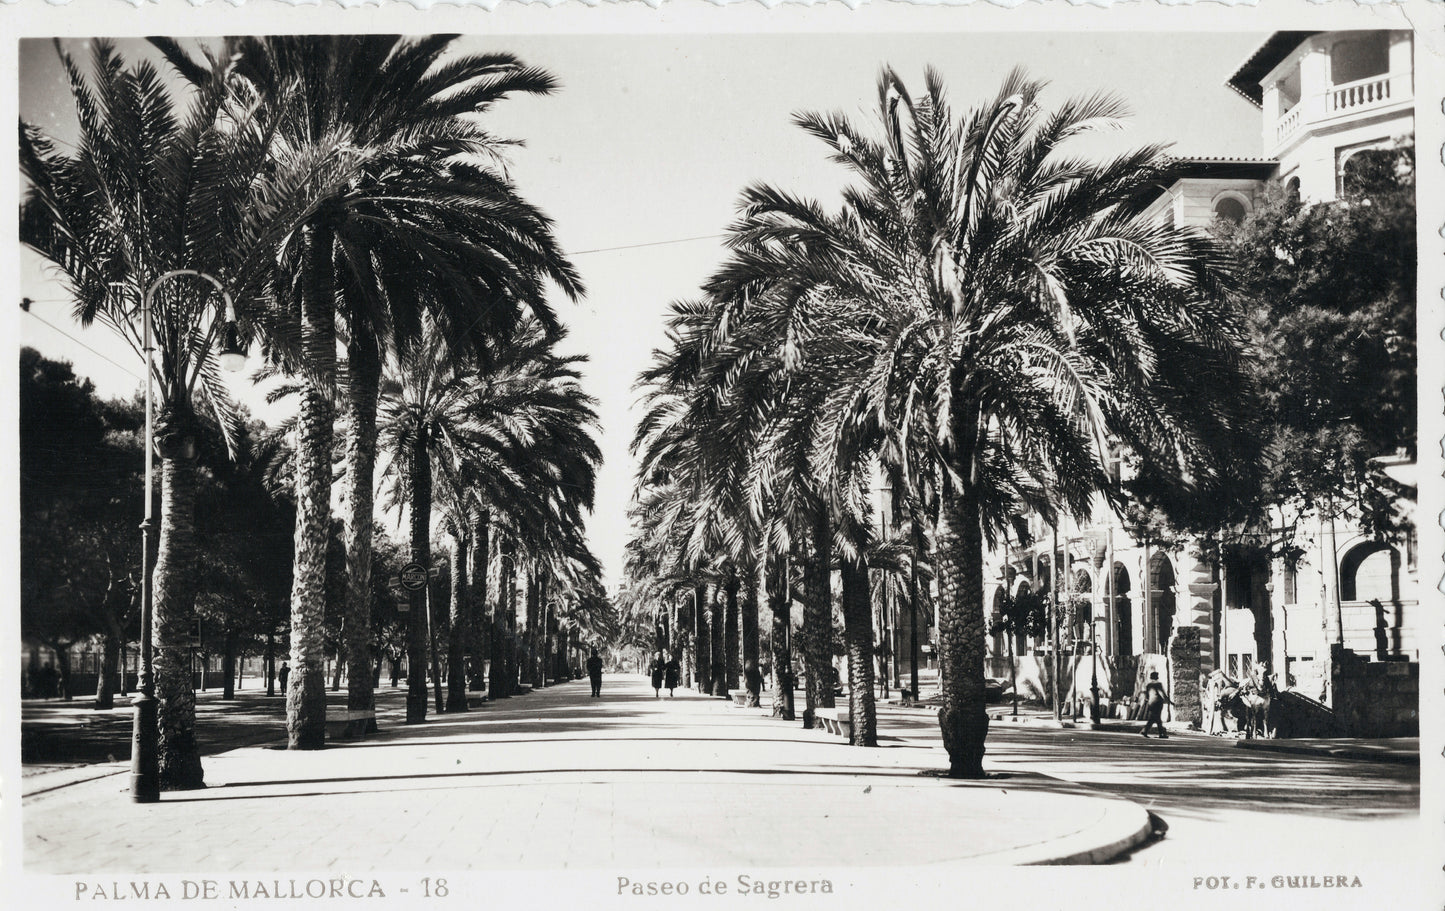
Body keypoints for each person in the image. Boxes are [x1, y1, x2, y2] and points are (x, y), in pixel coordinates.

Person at [1140, 671, 1172, 738]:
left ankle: (1146, 731)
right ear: (1156, 677)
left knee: (1154, 718)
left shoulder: (1149, 685)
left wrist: (1147, 701)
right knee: (1157, 718)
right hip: (1158, 703)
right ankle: (1160, 733)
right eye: (1157, 675)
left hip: (1151, 703)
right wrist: (1169, 701)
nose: (1158, 676)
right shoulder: (1158, 684)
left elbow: (1147, 695)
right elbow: (1161, 693)